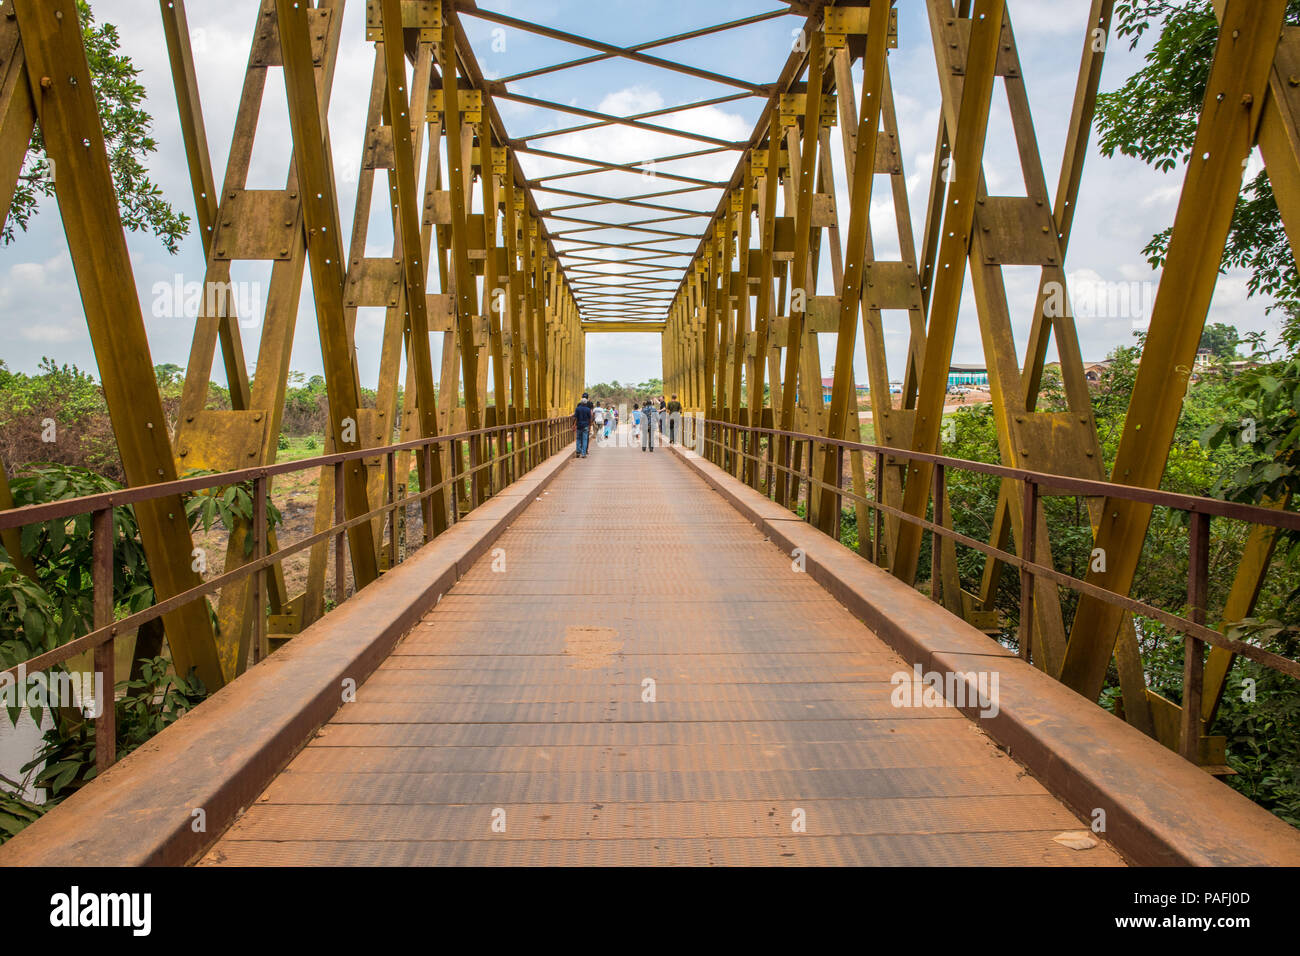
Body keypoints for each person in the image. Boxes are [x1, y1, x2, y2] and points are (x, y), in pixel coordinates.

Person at [573, 393, 592, 458]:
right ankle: (583, 454)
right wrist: (590, 426)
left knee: (578, 439)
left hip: (579, 425)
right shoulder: (588, 409)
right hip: (585, 426)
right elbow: (590, 418)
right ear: (586, 403)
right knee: (585, 440)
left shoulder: (577, 408)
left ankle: (578, 452)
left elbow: (575, 417)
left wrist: (573, 425)